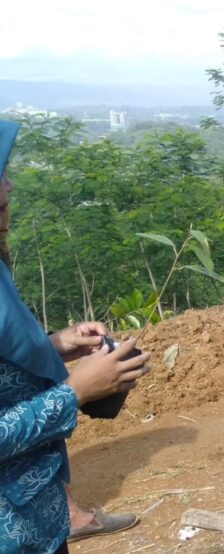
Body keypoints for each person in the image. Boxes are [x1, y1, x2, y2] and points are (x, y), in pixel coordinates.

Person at [1, 119, 151, 553]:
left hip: (36, 516)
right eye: (1, 176)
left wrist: (58, 344)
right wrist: (75, 391)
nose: (9, 187)